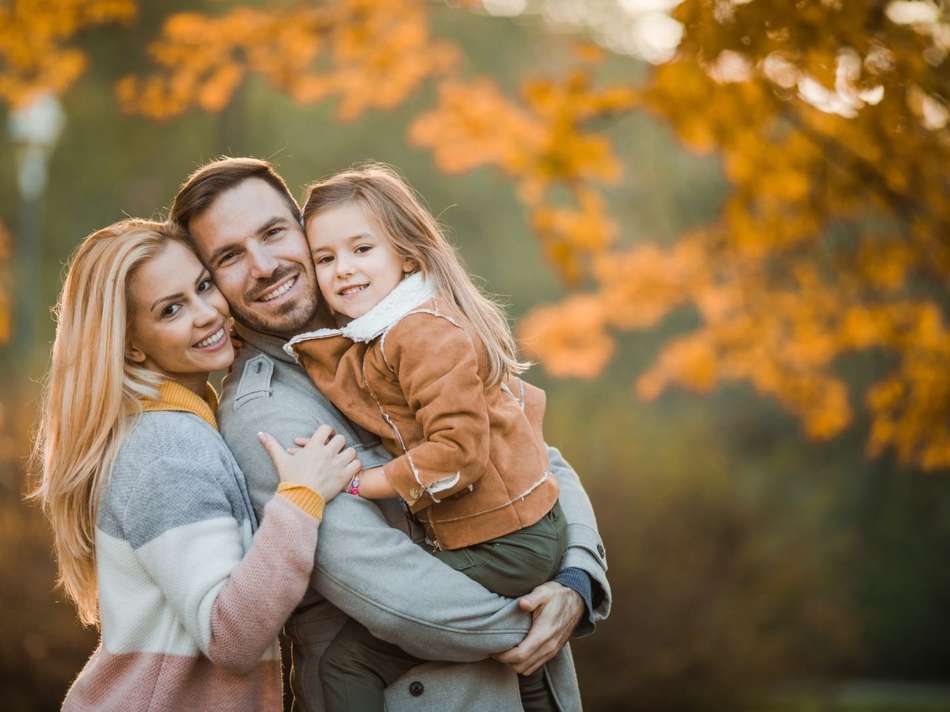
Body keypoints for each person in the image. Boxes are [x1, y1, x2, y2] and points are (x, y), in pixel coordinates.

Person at [170, 157, 612, 712]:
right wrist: (538, 621)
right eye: (229, 256)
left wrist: (576, 579)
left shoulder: (400, 327)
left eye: (274, 233)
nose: (262, 266)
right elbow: (384, 586)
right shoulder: (268, 407)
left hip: (528, 683)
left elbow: (530, 454)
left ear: (305, 230)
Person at [31, 219, 360, 711]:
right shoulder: (169, 447)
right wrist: (301, 498)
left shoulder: (175, 423)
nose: (208, 314)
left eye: (203, 287)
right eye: (171, 309)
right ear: (132, 344)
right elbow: (232, 638)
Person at [285, 163, 565, 711]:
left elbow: (460, 451)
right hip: (509, 533)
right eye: (325, 258)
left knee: (347, 660)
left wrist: (368, 484)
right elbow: (523, 406)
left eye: (362, 249)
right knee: (519, 662)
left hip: (507, 542)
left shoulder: (420, 332)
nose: (343, 270)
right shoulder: (387, 331)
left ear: (406, 255)